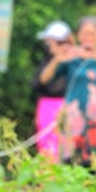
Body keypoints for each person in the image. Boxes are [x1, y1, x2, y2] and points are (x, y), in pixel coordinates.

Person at [38, 15, 96, 174]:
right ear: (78, 35)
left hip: (95, 119)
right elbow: (44, 79)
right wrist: (58, 58)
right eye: (84, 34)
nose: (88, 38)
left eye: (92, 34)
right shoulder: (71, 57)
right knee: (70, 160)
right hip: (73, 117)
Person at [30, 20, 73, 163]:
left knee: (66, 148)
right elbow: (39, 82)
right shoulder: (48, 61)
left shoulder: (73, 61)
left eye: (51, 42)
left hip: (67, 107)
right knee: (47, 148)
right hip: (47, 107)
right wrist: (56, 59)